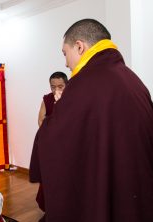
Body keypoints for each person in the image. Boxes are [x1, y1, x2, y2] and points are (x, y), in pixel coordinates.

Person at [30, 18, 153, 222]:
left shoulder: (83, 83)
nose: (65, 63)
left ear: (79, 47)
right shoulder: (133, 80)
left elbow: (53, 138)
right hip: (136, 188)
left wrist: (58, 110)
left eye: (65, 53)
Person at [36, 71, 68, 218]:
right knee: (50, 179)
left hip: (68, 146)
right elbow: (41, 121)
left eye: (60, 86)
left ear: (67, 85)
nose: (56, 90)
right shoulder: (47, 99)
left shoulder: (72, 97)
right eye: (53, 87)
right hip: (51, 145)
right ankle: (51, 208)